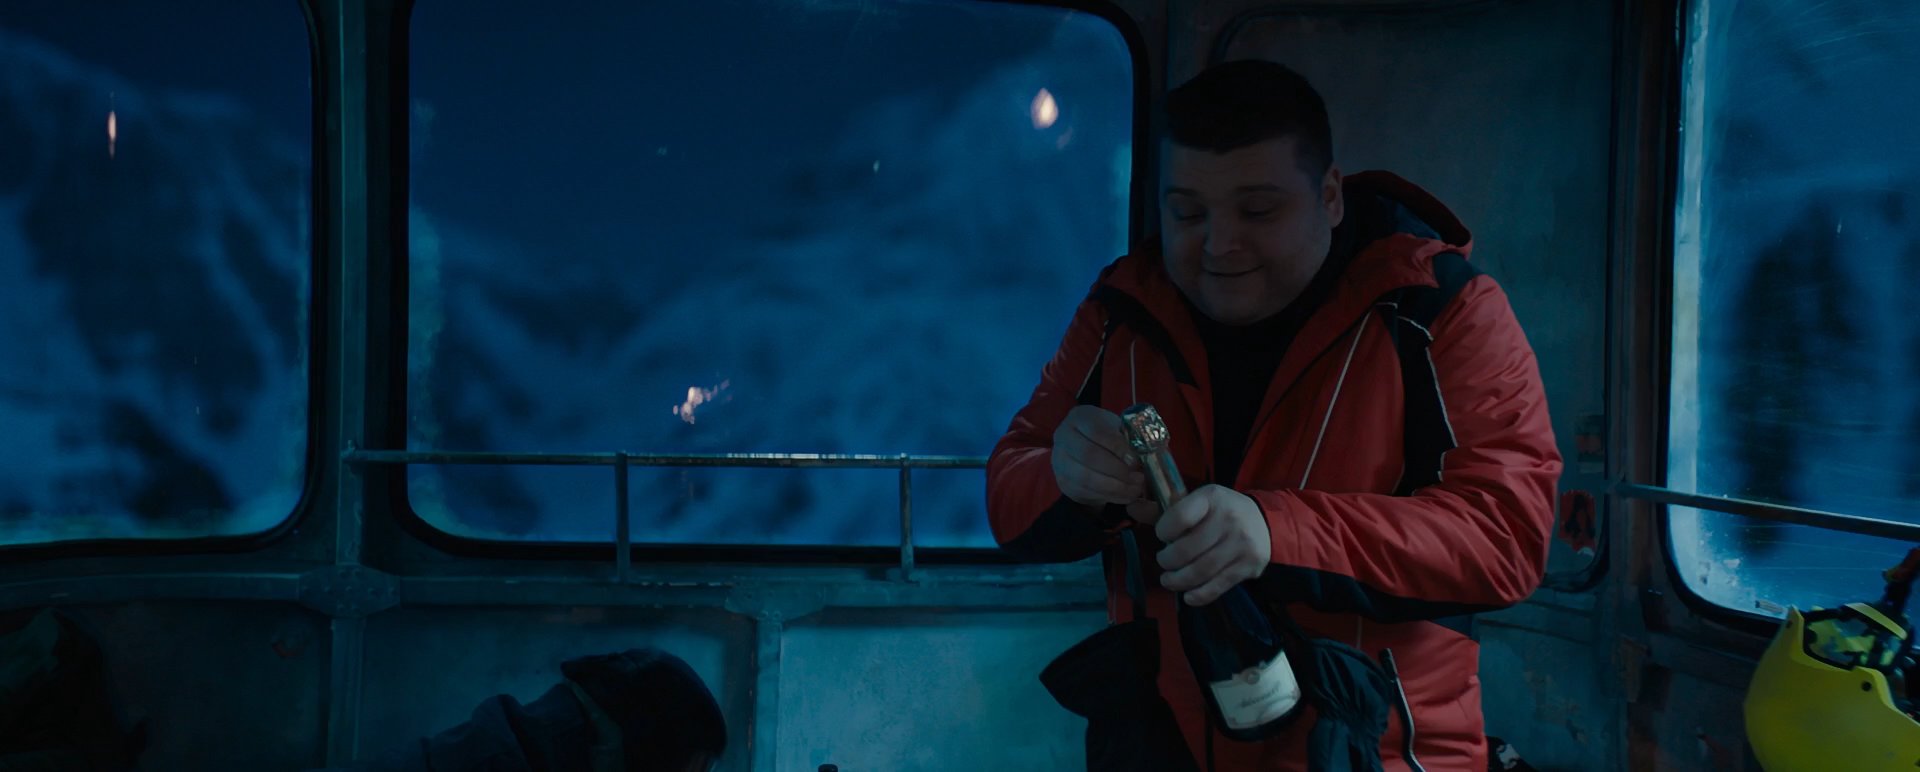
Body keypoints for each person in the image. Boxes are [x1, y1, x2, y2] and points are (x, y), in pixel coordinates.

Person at [987, 59, 1560, 771]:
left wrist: (1275, 531)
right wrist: (1066, 476)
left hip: (1374, 754)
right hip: (1163, 748)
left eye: (1258, 211)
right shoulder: (1120, 312)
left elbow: (1506, 535)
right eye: (1186, 213)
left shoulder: (1441, 309)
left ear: (1330, 197)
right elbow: (1009, 491)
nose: (1218, 244)